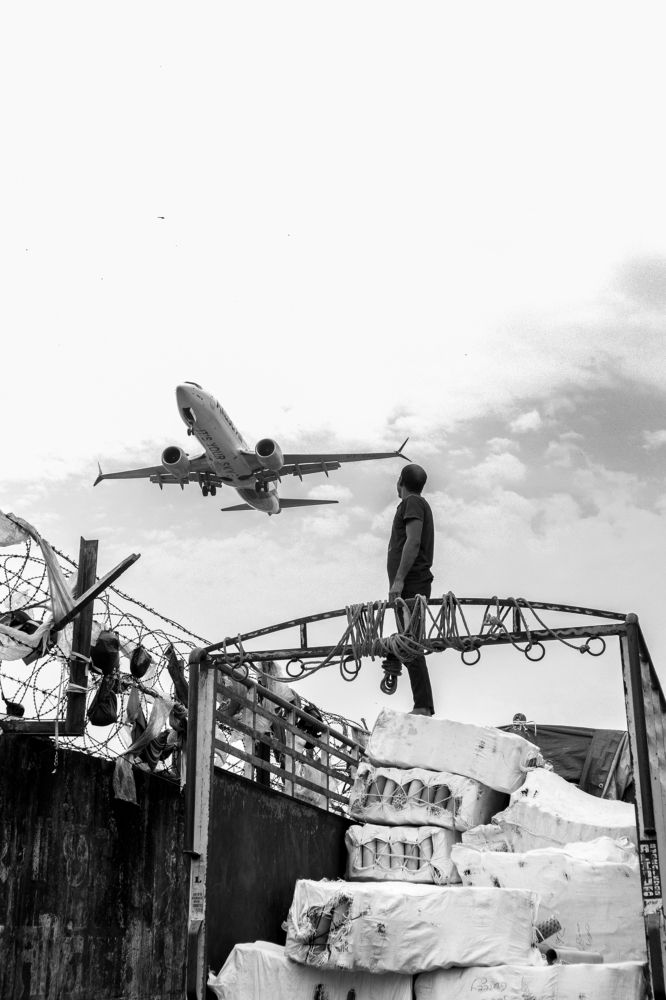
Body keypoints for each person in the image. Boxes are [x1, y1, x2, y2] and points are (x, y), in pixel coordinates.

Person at [384, 463, 435, 716]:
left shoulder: (412, 503)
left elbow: (413, 542)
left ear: (400, 482)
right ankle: (422, 704)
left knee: (410, 642)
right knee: (407, 641)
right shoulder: (415, 504)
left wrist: (399, 580)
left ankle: (423, 706)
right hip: (412, 584)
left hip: (412, 584)